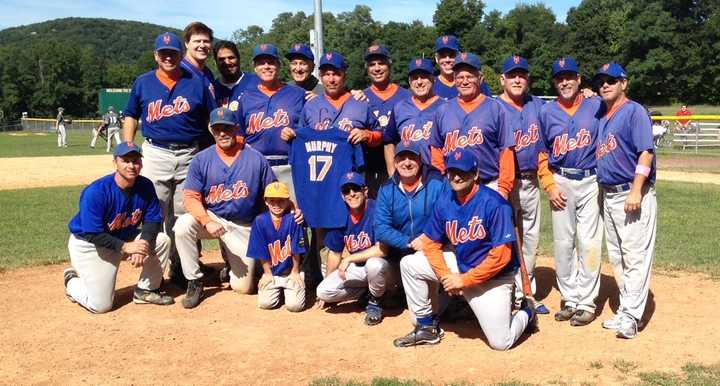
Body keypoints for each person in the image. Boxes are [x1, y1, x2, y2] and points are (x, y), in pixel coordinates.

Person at [392, 148, 536, 350]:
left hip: (493, 277)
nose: (457, 177)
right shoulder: (445, 201)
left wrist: (464, 280)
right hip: (461, 266)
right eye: (452, 172)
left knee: (501, 342)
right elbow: (431, 243)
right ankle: (426, 327)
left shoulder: (495, 204)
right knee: (410, 263)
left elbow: (502, 256)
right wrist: (446, 277)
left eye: (463, 172)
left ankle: (527, 312)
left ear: (476, 175)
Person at [122, 32, 217, 288]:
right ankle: (154, 273)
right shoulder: (143, 82)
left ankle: (181, 268)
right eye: (163, 53)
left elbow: (211, 119)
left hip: (189, 153)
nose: (168, 57)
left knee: (184, 214)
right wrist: (128, 146)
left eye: (172, 53)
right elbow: (131, 115)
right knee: (155, 211)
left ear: (179, 54)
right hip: (156, 152)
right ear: (156, 55)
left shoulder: (196, 82)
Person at [173, 107, 276, 309]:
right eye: (218, 128)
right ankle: (194, 280)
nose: (222, 133)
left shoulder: (255, 158)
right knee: (183, 226)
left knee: (244, 287)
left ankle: (230, 264)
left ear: (236, 128)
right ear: (211, 130)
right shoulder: (202, 159)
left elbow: (271, 194)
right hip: (212, 217)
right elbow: (190, 197)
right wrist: (207, 221)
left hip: (242, 225)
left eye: (227, 128)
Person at [63, 142, 173, 313]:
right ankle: (71, 281)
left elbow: (153, 220)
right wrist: (126, 247)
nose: (131, 165)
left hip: (123, 237)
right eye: (126, 160)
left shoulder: (145, 186)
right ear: (115, 162)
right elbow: (93, 233)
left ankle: (146, 290)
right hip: (90, 245)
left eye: (135, 161)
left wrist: (142, 244)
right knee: (100, 306)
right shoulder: (97, 191)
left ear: (141, 164)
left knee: (161, 240)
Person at [538, 57, 604, 326]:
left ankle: (586, 300)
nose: (564, 81)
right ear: (555, 82)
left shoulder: (597, 105)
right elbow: (541, 152)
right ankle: (569, 297)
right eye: (559, 78)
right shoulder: (546, 112)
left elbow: (622, 102)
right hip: (561, 179)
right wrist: (549, 184)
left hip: (591, 180)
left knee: (589, 242)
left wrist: (596, 93)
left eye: (570, 76)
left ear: (579, 80)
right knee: (564, 244)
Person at [593, 62, 657, 339]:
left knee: (635, 256)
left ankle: (632, 316)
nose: (605, 85)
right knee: (618, 257)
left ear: (624, 83)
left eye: (611, 80)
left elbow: (646, 153)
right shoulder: (604, 114)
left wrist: (636, 189)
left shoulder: (634, 111)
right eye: (601, 81)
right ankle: (626, 309)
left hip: (632, 194)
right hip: (609, 194)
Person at [495, 55, 551, 314]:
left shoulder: (537, 105)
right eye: (512, 75)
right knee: (505, 241)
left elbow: (568, 106)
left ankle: (527, 293)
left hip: (530, 182)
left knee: (530, 240)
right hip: (504, 183)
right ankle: (508, 293)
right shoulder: (493, 107)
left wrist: (586, 95)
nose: (517, 79)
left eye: (522, 75)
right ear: (502, 79)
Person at [430, 52, 515, 199]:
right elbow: (436, 148)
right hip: (453, 186)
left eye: (470, 76)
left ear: (480, 78)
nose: (464, 81)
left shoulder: (496, 108)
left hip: (488, 185)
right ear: (454, 80)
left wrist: (504, 188)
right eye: (460, 77)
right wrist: (443, 178)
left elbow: (506, 150)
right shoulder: (443, 110)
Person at [316, 172, 391, 325]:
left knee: (374, 264)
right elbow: (335, 253)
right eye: (346, 191)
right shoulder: (341, 215)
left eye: (356, 189)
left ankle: (375, 301)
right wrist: (328, 280)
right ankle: (368, 293)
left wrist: (349, 258)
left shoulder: (377, 210)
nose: (351, 194)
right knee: (323, 291)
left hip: (386, 269)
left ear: (365, 191)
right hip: (359, 270)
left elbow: (382, 250)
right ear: (343, 196)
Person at [234, 43, 306, 201]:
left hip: (289, 165)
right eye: (261, 62)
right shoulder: (246, 98)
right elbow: (238, 134)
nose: (266, 66)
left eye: (271, 62)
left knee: (293, 215)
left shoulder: (298, 95)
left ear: (279, 65)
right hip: (256, 165)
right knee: (257, 216)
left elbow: (309, 130)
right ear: (254, 67)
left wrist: (297, 133)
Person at [247, 182, 307, 312]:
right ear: (266, 201)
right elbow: (262, 252)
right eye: (272, 201)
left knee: (295, 306)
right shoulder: (260, 221)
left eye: (281, 201)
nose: (276, 205)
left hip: (290, 272)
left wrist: (295, 271)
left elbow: (296, 250)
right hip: (272, 272)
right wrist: (267, 274)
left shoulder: (294, 219)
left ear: (287, 202)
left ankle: (290, 289)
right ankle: (280, 291)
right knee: (265, 304)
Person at [362, 44, 411, 192]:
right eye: (372, 64)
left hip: (402, 163)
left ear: (389, 64)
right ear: (367, 68)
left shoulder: (406, 96)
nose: (377, 68)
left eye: (381, 63)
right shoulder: (360, 97)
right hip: (369, 166)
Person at [384, 59, 444, 171]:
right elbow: (389, 142)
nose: (419, 82)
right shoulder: (399, 107)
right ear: (409, 81)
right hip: (408, 173)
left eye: (424, 77)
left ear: (433, 79)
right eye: (415, 78)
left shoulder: (445, 107)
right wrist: (392, 173)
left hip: (437, 175)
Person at [432, 35, 492, 100]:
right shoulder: (429, 85)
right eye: (442, 56)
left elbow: (489, 107)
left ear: (459, 55)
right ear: (436, 58)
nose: (447, 60)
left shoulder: (476, 83)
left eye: (452, 55)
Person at [213, 40, 259, 108]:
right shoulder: (212, 89)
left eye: (231, 58)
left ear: (239, 58)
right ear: (215, 62)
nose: (227, 62)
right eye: (221, 59)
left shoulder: (256, 82)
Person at [180, 22, 215, 87]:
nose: (202, 45)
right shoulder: (179, 71)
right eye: (197, 41)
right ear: (186, 44)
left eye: (206, 41)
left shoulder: (208, 73)